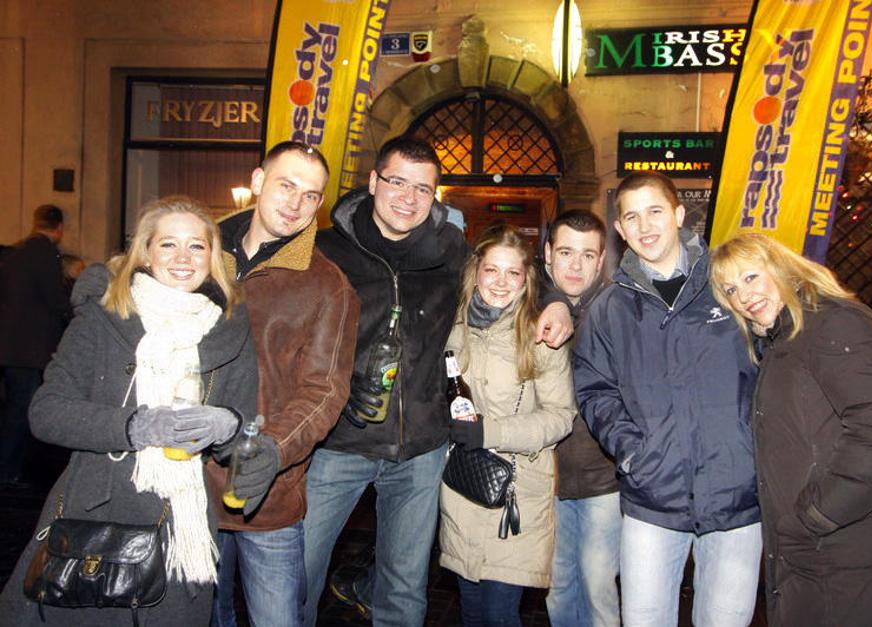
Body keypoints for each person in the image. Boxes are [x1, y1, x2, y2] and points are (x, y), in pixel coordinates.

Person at [304, 136, 572, 627]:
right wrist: (336, 390)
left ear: (435, 196)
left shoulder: (449, 250)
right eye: (397, 182)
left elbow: (508, 271)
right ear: (373, 182)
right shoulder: (326, 250)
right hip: (341, 442)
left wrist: (556, 301)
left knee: (404, 588)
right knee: (300, 572)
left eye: (423, 189)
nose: (408, 198)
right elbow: (292, 335)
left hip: (421, 449)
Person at [0, 196, 258, 626]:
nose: (183, 257)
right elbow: (45, 412)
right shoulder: (104, 316)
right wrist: (136, 426)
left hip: (180, 529)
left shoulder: (228, 328)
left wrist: (228, 426)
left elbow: (244, 429)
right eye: (168, 244)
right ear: (146, 252)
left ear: (212, 257)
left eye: (196, 246)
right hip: (93, 514)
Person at [710, 232, 872, 627]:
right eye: (730, 289)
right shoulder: (784, 340)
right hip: (819, 555)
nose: (743, 295)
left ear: (782, 267)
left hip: (855, 553)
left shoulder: (836, 321)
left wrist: (816, 515)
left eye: (750, 276)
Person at [572, 171, 762, 627]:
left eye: (655, 211)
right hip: (653, 497)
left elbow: (772, 364)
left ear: (678, 214)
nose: (645, 226)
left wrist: (754, 450)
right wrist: (633, 453)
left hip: (735, 495)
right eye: (631, 217)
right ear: (620, 229)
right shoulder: (610, 308)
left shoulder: (728, 285)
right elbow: (595, 389)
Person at [210, 141, 360, 627]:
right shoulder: (200, 256)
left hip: (268, 493)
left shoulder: (327, 285)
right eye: (286, 185)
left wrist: (273, 450)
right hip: (187, 484)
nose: (296, 203)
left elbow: (325, 391)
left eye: (310, 195)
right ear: (257, 182)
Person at [441, 222, 575, 625]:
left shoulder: (540, 333)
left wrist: (490, 431)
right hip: (462, 491)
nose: (501, 282)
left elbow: (561, 417)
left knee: (499, 615)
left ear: (526, 279)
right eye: (492, 270)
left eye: (513, 272)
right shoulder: (452, 326)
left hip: (515, 498)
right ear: (475, 272)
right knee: (471, 614)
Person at [540, 210, 620, 627]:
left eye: (587, 255)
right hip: (546, 477)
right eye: (566, 252)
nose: (575, 265)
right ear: (548, 253)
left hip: (602, 479)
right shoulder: (527, 303)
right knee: (558, 585)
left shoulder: (618, 313)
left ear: (601, 259)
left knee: (598, 586)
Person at [0, 205, 72, 486]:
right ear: (59, 227)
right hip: (31, 349)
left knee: (14, 407)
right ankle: (9, 471)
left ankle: (10, 469)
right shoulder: (46, 254)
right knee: (22, 410)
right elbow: (55, 299)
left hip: (11, 346)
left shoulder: (15, 253)